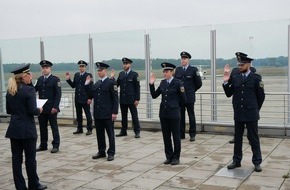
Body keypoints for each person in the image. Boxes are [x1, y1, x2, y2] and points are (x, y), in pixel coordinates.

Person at [5, 63, 47, 190]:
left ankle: (20, 186)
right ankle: (33, 184)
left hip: (14, 130)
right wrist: (39, 109)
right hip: (27, 130)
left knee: (16, 160)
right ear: (24, 76)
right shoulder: (29, 90)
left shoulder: (10, 90)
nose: (31, 76)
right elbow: (32, 110)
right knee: (30, 159)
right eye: (29, 74)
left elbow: (8, 110)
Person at [223, 52, 265, 172]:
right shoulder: (235, 77)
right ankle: (236, 160)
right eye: (238, 65)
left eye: (241, 65)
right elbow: (228, 93)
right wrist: (226, 82)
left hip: (251, 113)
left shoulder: (256, 78)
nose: (239, 67)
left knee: (253, 138)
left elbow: (261, 97)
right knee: (237, 138)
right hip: (239, 113)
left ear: (248, 64)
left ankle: (257, 161)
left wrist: (255, 109)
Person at [149, 62, 186, 165]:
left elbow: (184, 99)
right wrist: (151, 84)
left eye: (167, 71)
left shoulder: (178, 83)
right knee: (166, 136)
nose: (165, 73)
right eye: (164, 71)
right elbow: (154, 95)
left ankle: (176, 157)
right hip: (164, 114)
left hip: (174, 114)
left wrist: (175, 107)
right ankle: (169, 156)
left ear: (172, 72)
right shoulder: (162, 83)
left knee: (176, 136)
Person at [85, 62, 118, 161]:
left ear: (105, 71)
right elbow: (91, 94)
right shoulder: (97, 83)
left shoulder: (111, 83)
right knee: (99, 134)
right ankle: (101, 151)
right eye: (98, 70)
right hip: (98, 113)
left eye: (101, 70)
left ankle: (111, 152)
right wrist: (87, 84)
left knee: (110, 134)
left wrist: (114, 112)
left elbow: (115, 99)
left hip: (108, 113)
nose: (99, 72)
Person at [35, 60, 62, 153]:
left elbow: (58, 94)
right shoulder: (39, 79)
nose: (45, 69)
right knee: (42, 127)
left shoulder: (55, 79)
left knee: (54, 127)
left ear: (50, 69)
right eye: (43, 68)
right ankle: (43, 144)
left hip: (51, 108)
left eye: (46, 68)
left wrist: (55, 107)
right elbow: (34, 90)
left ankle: (56, 145)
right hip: (41, 108)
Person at [175, 51, 202, 141]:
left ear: (188, 60)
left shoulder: (193, 70)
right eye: (182, 58)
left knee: (191, 116)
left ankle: (192, 134)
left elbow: (199, 83)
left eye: (185, 58)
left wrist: (191, 90)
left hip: (189, 97)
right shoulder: (178, 70)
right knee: (180, 116)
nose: (183, 60)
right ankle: (181, 134)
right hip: (180, 98)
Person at [113, 57, 141, 138]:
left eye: (126, 64)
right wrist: (111, 78)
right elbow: (116, 85)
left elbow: (137, 87)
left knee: (134, 116)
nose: (125, 65)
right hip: (123, 99)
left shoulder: (134, 74)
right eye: (124, 64)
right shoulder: (121, 74)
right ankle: (123, 131)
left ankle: (137, 131)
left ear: (130, 64)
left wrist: (137, 99)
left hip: (132, 100)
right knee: (124, 116)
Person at [66, 60, 93, 135]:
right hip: (77, 98)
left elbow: (91, 88)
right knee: (78, 114)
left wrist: (90, 98)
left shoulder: (88, 75)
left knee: (88, 114)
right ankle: (79, 128)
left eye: (83, 66)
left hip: (85, 98)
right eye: (80, 66)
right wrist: (68, 80)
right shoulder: (77, 75)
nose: (81, 68)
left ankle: (89, 128)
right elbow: (73, 85)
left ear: (85, 67)